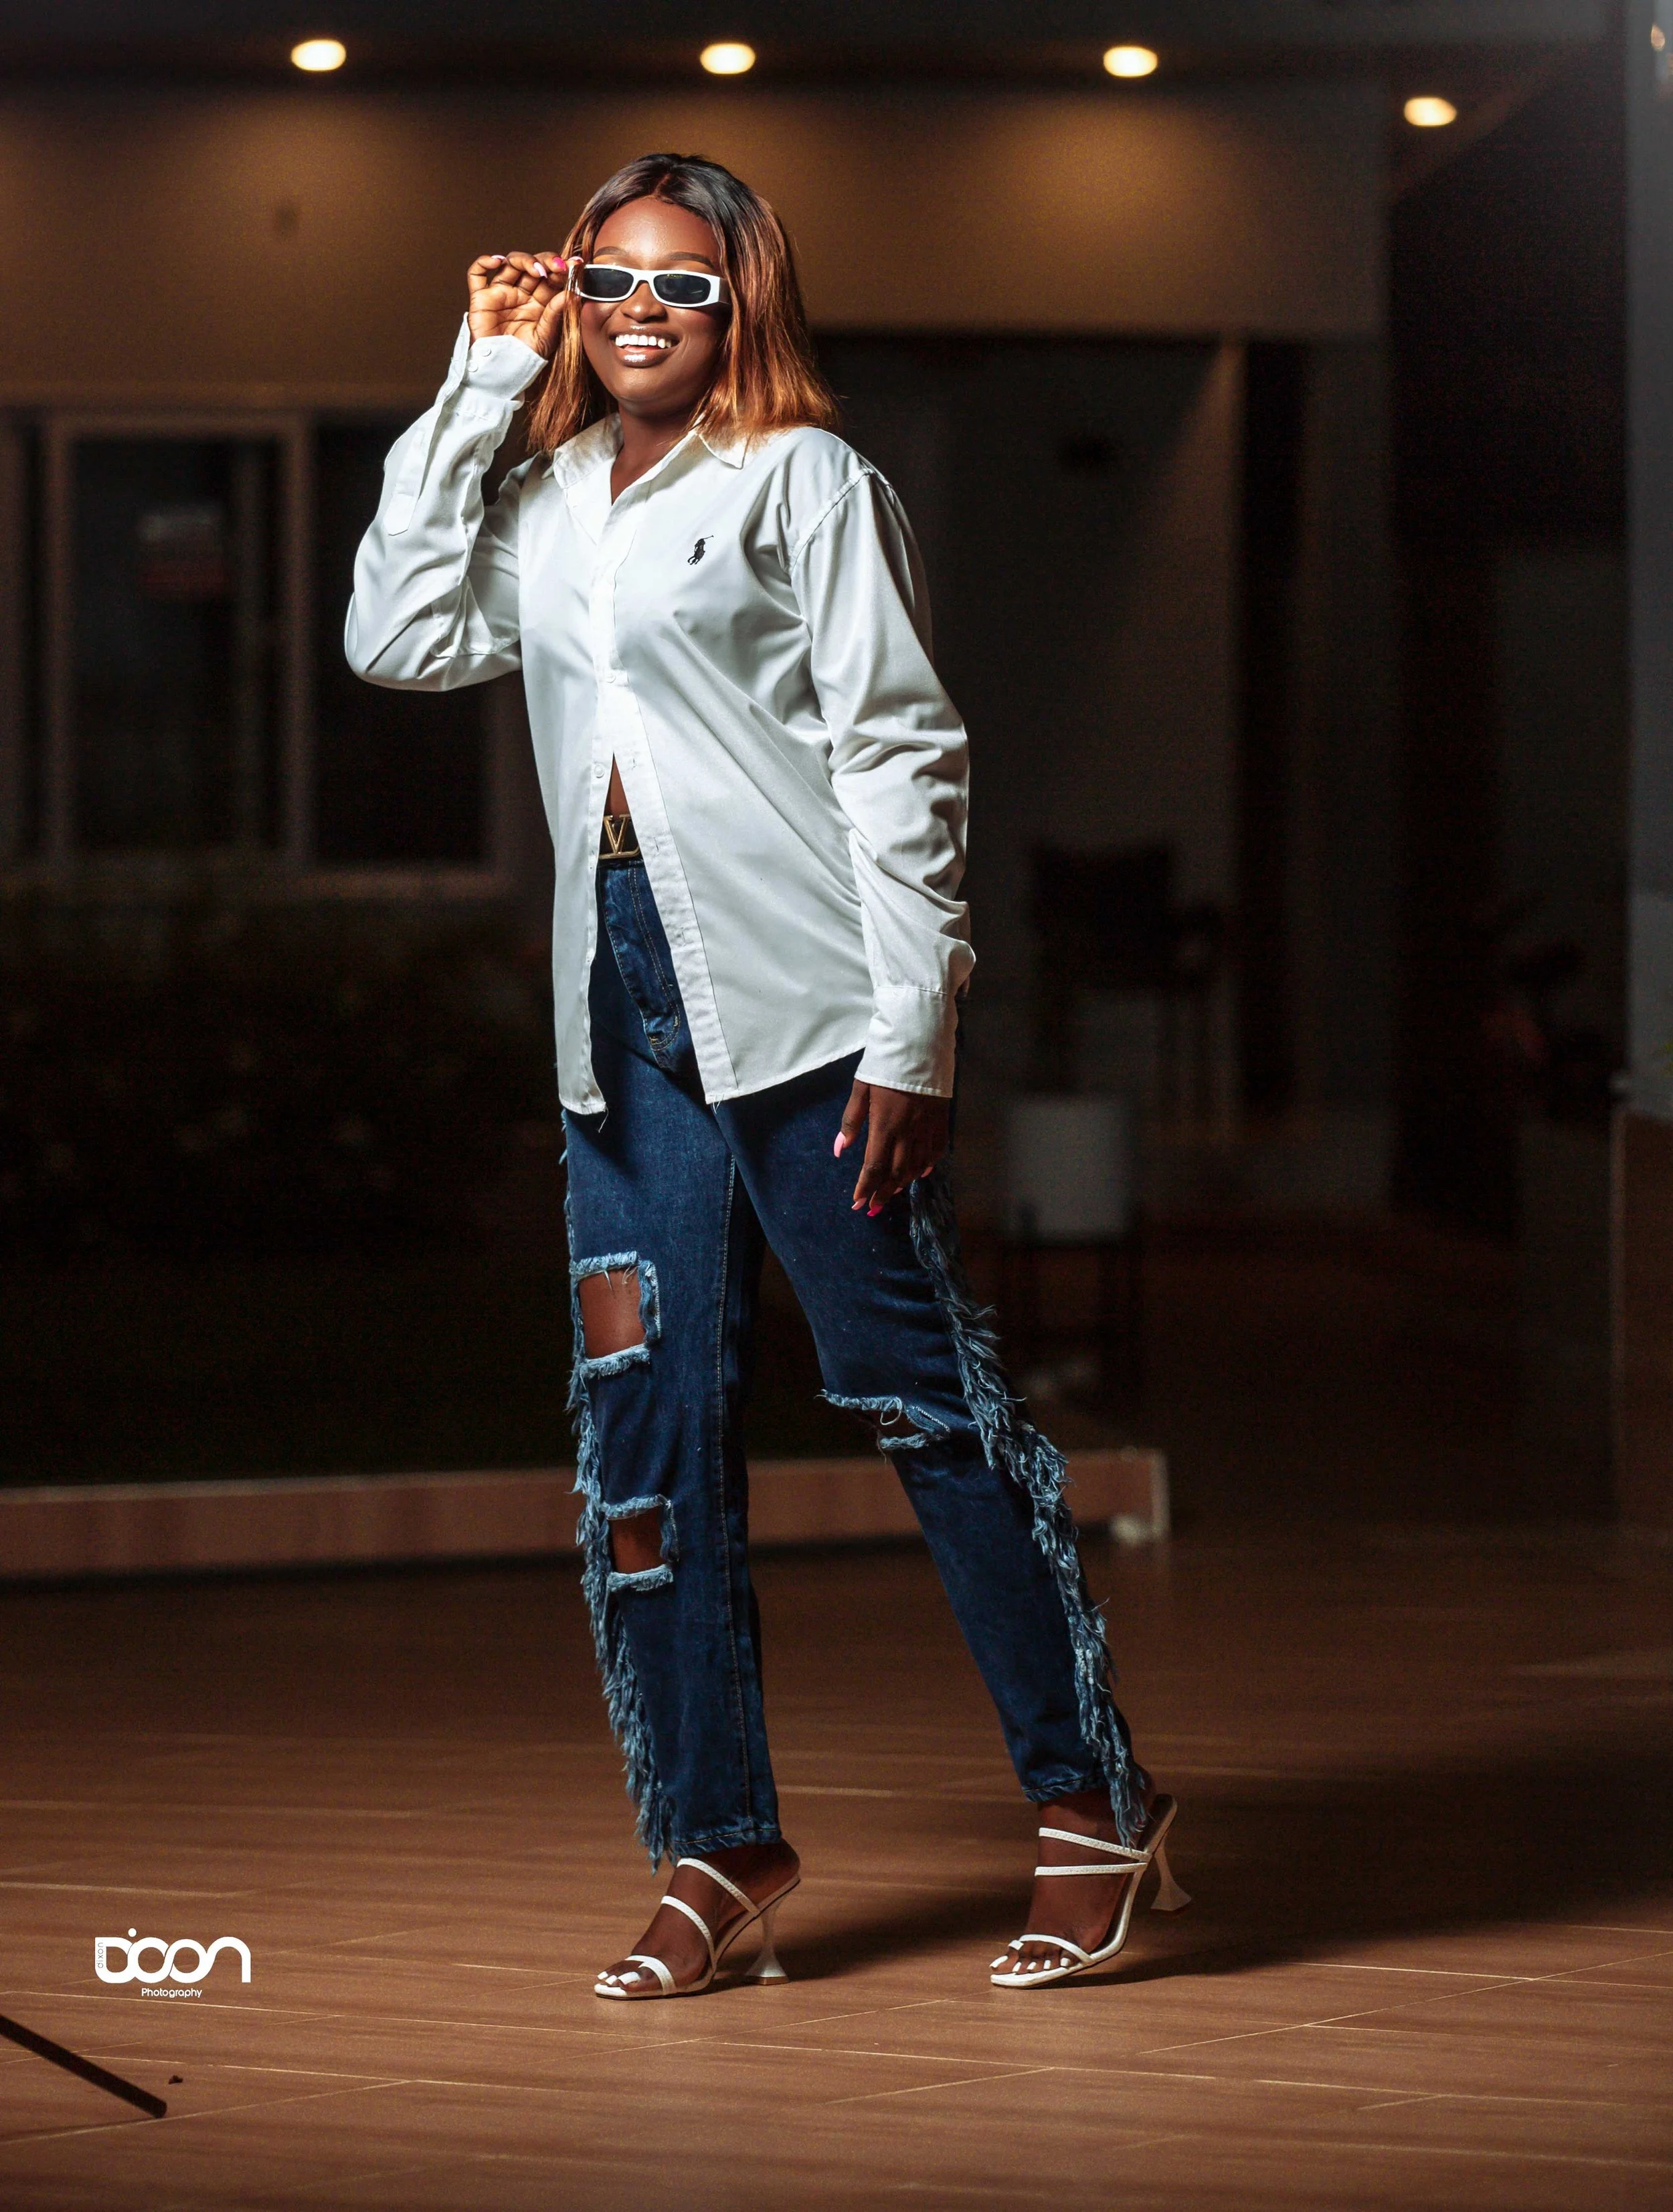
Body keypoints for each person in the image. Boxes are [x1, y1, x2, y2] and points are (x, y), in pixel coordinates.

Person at [346, 152, 1185, 1996]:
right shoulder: (554, 491)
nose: (641, 310)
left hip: (808, 1016)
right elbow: (398, 637)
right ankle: (715, 1844)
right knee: (641, 1439)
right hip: (616, 1021)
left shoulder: (805, 479)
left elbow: (902, 752)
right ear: (569, 290)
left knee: (920, 1407)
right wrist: (481, 380)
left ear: (745, 303)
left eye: (684, 283)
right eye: (608, 277)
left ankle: (1090, 1810)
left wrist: (918, 1029)